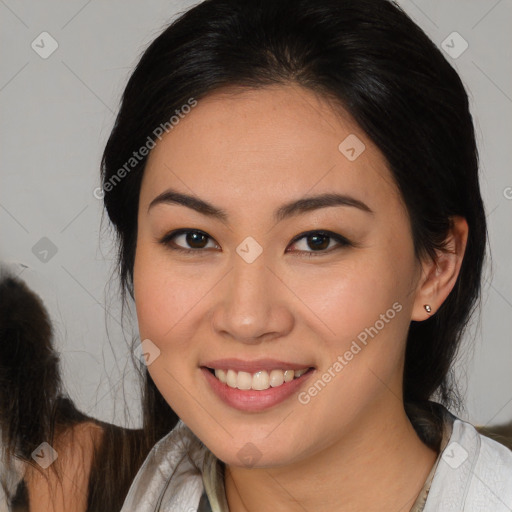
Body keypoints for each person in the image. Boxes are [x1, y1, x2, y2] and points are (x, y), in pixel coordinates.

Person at [1, 0, 512, 510]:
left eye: (317, 241)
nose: (246, 317)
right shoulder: (64, 490)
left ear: (436, 267)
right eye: (194, 239)